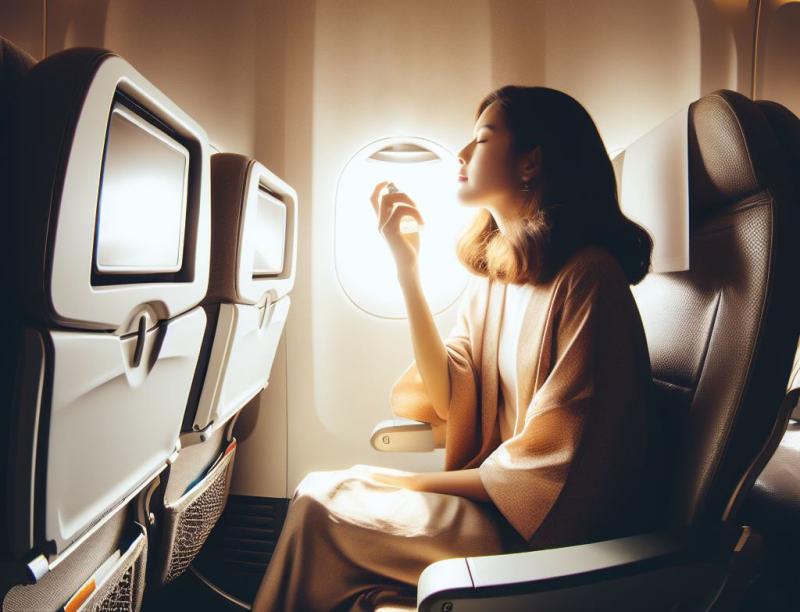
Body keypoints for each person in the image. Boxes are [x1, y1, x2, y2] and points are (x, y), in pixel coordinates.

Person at [252, 85, 656, 611]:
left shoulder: (588, 279)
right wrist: (407, 269)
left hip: (534, 535)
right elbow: (450, 393)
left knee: (319, 507)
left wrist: (417, 485)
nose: (462, 156)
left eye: (482, 139)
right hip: (494, 505)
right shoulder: (499, 278)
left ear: (530, 163)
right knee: (322, 503)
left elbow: (559, 471)